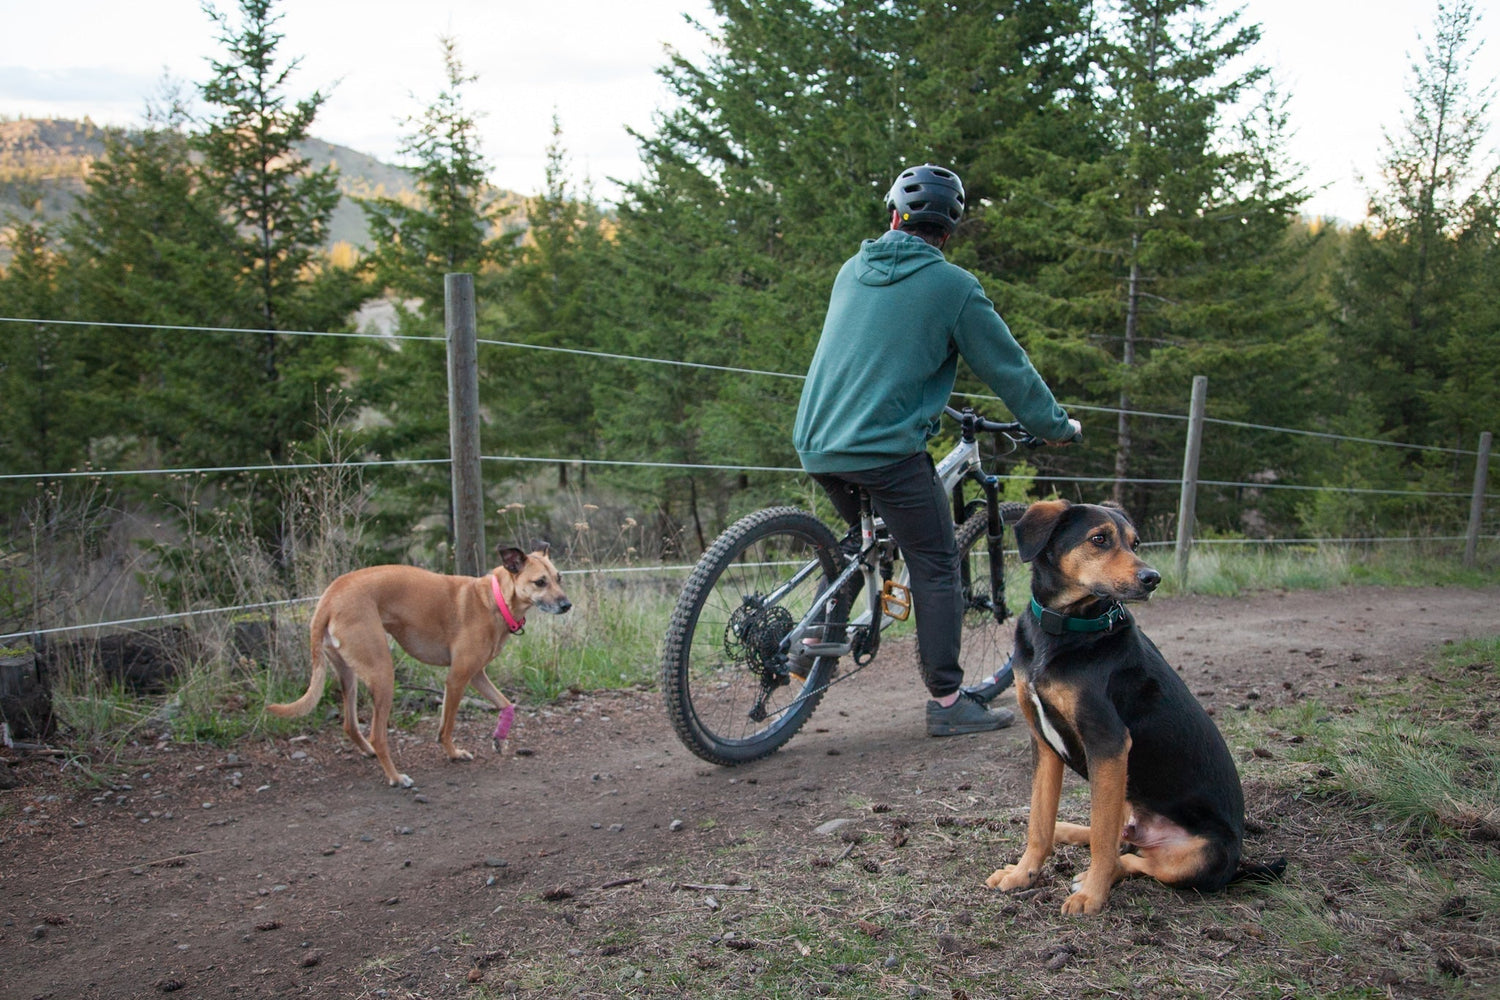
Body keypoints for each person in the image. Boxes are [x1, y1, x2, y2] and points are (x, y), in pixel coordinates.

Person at [792, 163, 1079, 737]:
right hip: (884, 450)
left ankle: (811, 646)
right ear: (946, 232)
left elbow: (872, 351)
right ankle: (949, 703)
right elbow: (1010, 370)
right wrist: (1053, 425)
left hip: (818, 439)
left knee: (863, 544)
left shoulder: (852, 270)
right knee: (937, 561)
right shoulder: (953, 286)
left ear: (894, 216)